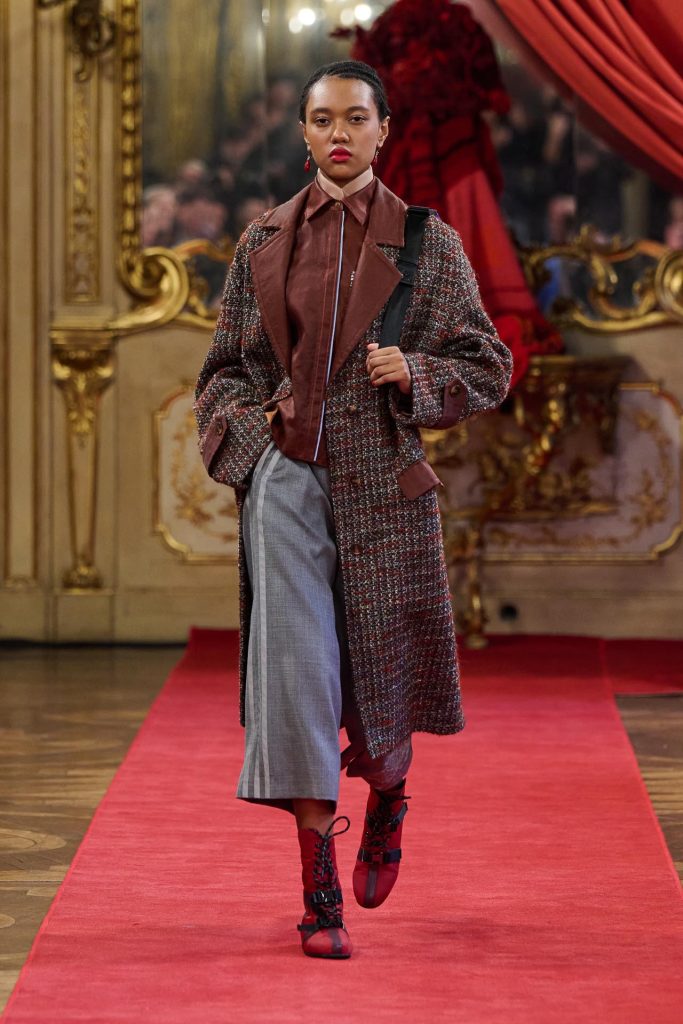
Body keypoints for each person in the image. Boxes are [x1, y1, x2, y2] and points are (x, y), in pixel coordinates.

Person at [194, 60, 513, 961]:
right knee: (296, 676)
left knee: (381, 677)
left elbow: (487, 364)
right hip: (284, 480)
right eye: (322, 119)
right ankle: (317, 889)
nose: (339, 133)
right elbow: (224, 372)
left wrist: (417, 372)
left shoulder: (425, 243)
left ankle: (389, 794)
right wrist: (254, 444)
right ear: (302, 133)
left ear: (382, 130)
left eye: (355, 119)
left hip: (383, 487)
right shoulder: (262, 240)